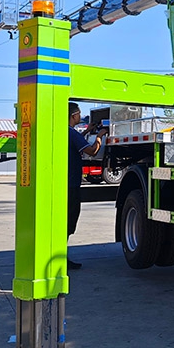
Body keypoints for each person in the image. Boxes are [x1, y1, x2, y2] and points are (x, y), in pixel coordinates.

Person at [68, 102, 107, 269]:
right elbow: (92, 151)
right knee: (69, 221)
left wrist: (87, 131)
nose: (79, 116)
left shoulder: (67, 132)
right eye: (79, 114)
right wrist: (100, 135)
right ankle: (62, 258)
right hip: (71, 185)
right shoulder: (70, 132)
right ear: (74, 115)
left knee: (65, 222)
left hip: (65, 184)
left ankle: (61, 257)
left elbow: (76, 142)